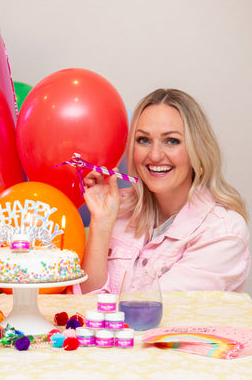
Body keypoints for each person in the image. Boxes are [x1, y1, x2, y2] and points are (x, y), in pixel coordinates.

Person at [80, 88, 250, 294]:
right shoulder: (117, 207)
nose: (155, 154)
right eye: (144, 140)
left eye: (171, 141)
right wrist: (101, 223)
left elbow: (154, 313)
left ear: (198, 149)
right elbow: (85, 303)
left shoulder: (223, 232)